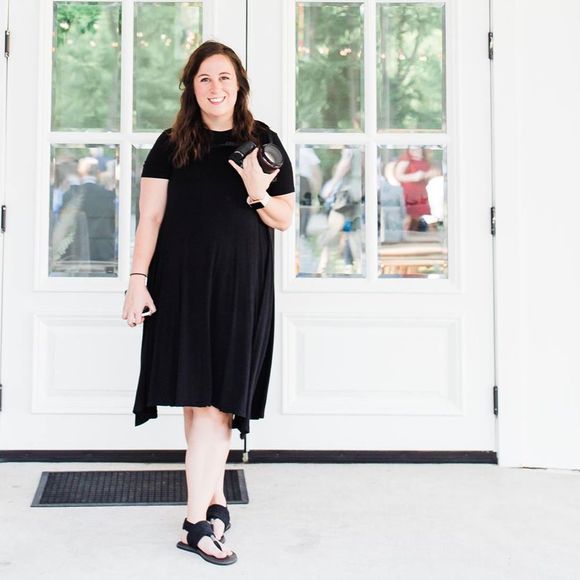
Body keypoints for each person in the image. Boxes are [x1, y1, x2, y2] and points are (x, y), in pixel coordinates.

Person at [121, 40, 295, 566]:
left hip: (242, 287)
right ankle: (202, 516)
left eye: (224, 78)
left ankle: (202, 512)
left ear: (239, 85)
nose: (215, 88)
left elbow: (284, 218)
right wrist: (137, 281)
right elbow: (151, 218)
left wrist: (256, 188)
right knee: (200, 400)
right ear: (191, 88)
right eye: (204, 79)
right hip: (181, 283)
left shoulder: (263, 142)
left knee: (219, 401)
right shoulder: (170, 144)